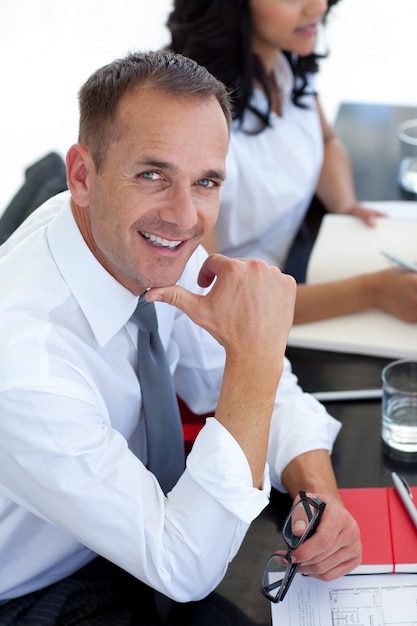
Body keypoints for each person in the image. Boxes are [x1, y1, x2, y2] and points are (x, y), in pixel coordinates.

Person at [0, 50, 360, 625]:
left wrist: (318, 494)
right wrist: (257, 355)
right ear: (82, 177)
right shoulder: (23, 362)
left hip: (122, 532)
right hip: (27, 590)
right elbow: (182, 565)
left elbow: (250, 381)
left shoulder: (145, 244)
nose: (185, 216)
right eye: (152, 174)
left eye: (206, 181)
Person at [167, 0, 417, 325]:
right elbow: (219, 299)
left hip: (295, 261)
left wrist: (344, 204)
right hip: (240, 316)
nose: (318, 7)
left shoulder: (283, 59)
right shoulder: (192, 117)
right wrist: (373, 291)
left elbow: (325, 141)